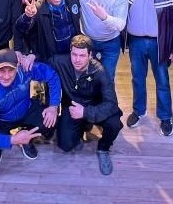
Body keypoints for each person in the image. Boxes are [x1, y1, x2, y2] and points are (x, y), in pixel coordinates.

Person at [122, 0, 173, 137]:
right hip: (136, 42)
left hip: (160, 43)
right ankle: (138, 111)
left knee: (162, 81)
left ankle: (165, 117)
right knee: (137, 78)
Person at [51, 35, 123, 176]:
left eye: (82, 55)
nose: (77, 60)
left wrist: (86, 113)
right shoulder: (60, 62)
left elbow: (112, 104)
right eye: (74, 54)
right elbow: (41, 65)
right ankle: (80, 130)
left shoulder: (100, 71)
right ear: (70, 52)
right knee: (65, 145)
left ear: (90, 55)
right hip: (72, 108)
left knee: (114, 124)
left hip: (94, 107)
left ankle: (103, 149)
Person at [0, 48, 61, 166]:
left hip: (26, 110)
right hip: (2, 121)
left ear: (17, 68)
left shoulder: (24, 69)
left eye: (11, 70)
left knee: (51, 121)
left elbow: (52, 76)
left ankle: (26, 137)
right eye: (2, 70)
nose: (6, 76)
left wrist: (53, 106)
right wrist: (13, 139)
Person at [70, 0, 128, 82]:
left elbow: (121, 25)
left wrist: (104, 17)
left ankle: (107, 96)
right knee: (87, 78)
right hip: (88, 41)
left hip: (111, 42)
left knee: (107, 78)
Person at [14, 0, 81, 63]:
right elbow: (20, 29)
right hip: (51, 58)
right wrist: (27, 16)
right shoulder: (37, 8)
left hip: (73, 54)